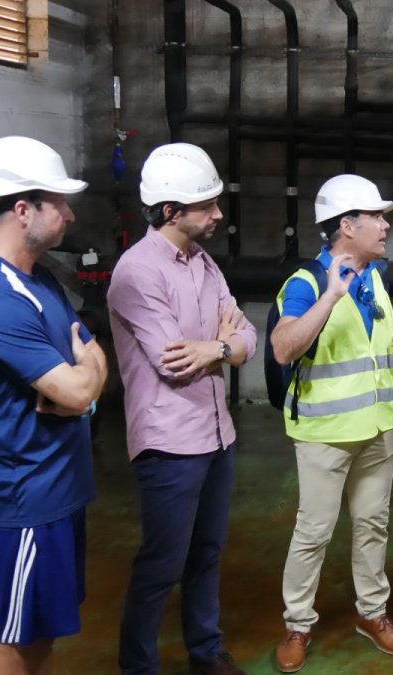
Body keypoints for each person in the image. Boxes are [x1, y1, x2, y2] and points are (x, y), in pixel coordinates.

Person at [0, 136, 107, 675]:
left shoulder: (39, 279)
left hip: (57, 488)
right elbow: (83, 388)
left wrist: (81, 374)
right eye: (58, 203)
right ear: (23, 210)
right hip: (23, 497)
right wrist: (81, 380)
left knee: (43, 633)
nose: (68, 214)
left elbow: (90, 355)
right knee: (18, 640)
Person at [108, 143, 256, 675]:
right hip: (169, 444)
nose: (218, 215)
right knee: (161, 565)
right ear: (171, 211)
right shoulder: (137, 272)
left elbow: (246, 334)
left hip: (216, 434)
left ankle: (205, 651)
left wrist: (218, 347)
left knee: (207, 553)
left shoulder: (204, 262)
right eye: (207, 206)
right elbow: (173, 363)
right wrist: (223, 345)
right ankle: (138, 667)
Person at [270, 174, 393, 674]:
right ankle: (298, 624)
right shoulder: (306, 283)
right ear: (345, 225)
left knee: (372, 526)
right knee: (313, 532)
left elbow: (366, 336)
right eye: (375, 217)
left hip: (379, 429)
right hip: (325, 434)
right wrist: (332, 296)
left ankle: (372, 614)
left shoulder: (375, 276)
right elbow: (283, 346)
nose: (385, 225)